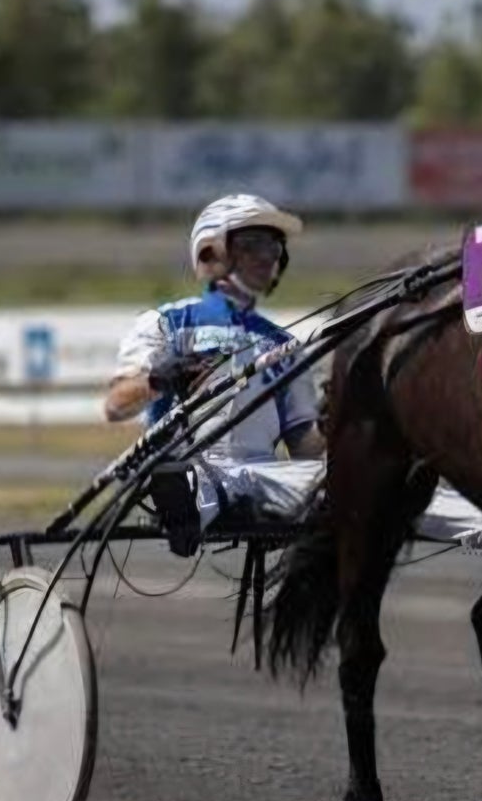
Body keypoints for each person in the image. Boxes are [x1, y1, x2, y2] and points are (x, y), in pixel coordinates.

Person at [104, 193, 326, 556]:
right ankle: (190, 509)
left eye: (273, 245)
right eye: (252, 244)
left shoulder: (285, 345)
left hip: (266, 476)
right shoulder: (169, 324)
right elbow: (116, 405)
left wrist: (334, 423)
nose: (267, 255)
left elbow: (305, 446)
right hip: (195, 468)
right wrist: (159, 380)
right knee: (192, 485)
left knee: (345, 486)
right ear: (211, 251)